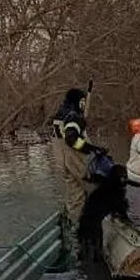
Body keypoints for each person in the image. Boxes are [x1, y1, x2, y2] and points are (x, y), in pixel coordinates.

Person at [51, 87, 107, 232]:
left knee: (75, 195)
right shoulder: (73, 117)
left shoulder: (59, 115)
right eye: (82, 101)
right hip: (76, 162)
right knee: (97, 189)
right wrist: (91, 148)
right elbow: (71, 139)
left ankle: (72, 228)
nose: (83, 104)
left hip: (62, 162)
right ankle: (92, 227)